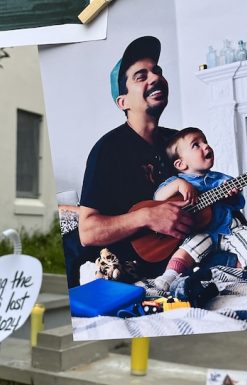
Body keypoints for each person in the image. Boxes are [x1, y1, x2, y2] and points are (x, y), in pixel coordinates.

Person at [77, 35, 196, 282]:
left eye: (157, 71)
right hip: (134, 273)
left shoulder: (178, 141)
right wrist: (146, 217)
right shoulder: (107, 149)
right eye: (141, 77)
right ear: (123, 102)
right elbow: (87, 231)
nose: (155, 78)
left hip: (190, 260)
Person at [151, 127, 247, 291]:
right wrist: (180, 184)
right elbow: (158, 198)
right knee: (187, 248)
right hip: (200, 233)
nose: (206, 146)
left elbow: (238, 204)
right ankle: (170, 275)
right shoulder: (174, 182)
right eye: (196, 145)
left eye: (205, 141)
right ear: (181, 164)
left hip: (229, 229)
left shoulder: (222, 180)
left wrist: (232, 196)